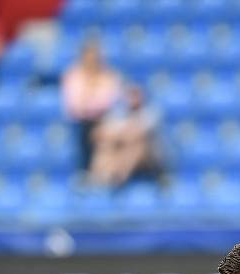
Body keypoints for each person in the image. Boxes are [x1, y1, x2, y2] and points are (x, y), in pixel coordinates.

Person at [61, 40, 122, 173]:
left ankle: (103, 173)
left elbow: (111, 101)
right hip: (81, 122)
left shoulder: (109, 76)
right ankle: (86, 171)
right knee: (88, 132)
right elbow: (74, 105)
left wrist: (91, 103)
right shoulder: (73, 75)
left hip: (105, 120)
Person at [89, 84, 164, 187]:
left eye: (136, 96)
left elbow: (136, 134)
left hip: (151, 157)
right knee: (105, 145)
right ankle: (100, 177)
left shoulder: (151, 112)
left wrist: (118, 135)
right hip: (121, 150)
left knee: (137, 146)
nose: (133, 100)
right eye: (130, 96)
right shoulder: (119, 112)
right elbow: (100, 133)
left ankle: (119, 178)